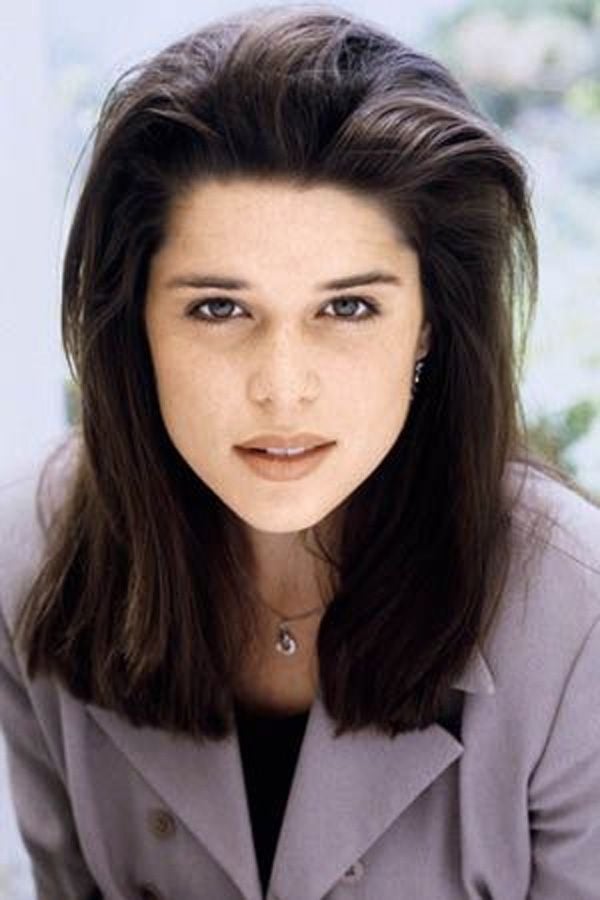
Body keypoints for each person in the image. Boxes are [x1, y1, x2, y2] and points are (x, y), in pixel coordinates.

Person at [1, 3, 599, 898]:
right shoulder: (29, 558)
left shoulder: (577, 617)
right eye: (218, 308)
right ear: (136, 326)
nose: (282, 388)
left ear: (428, 324)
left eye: (348, 307)